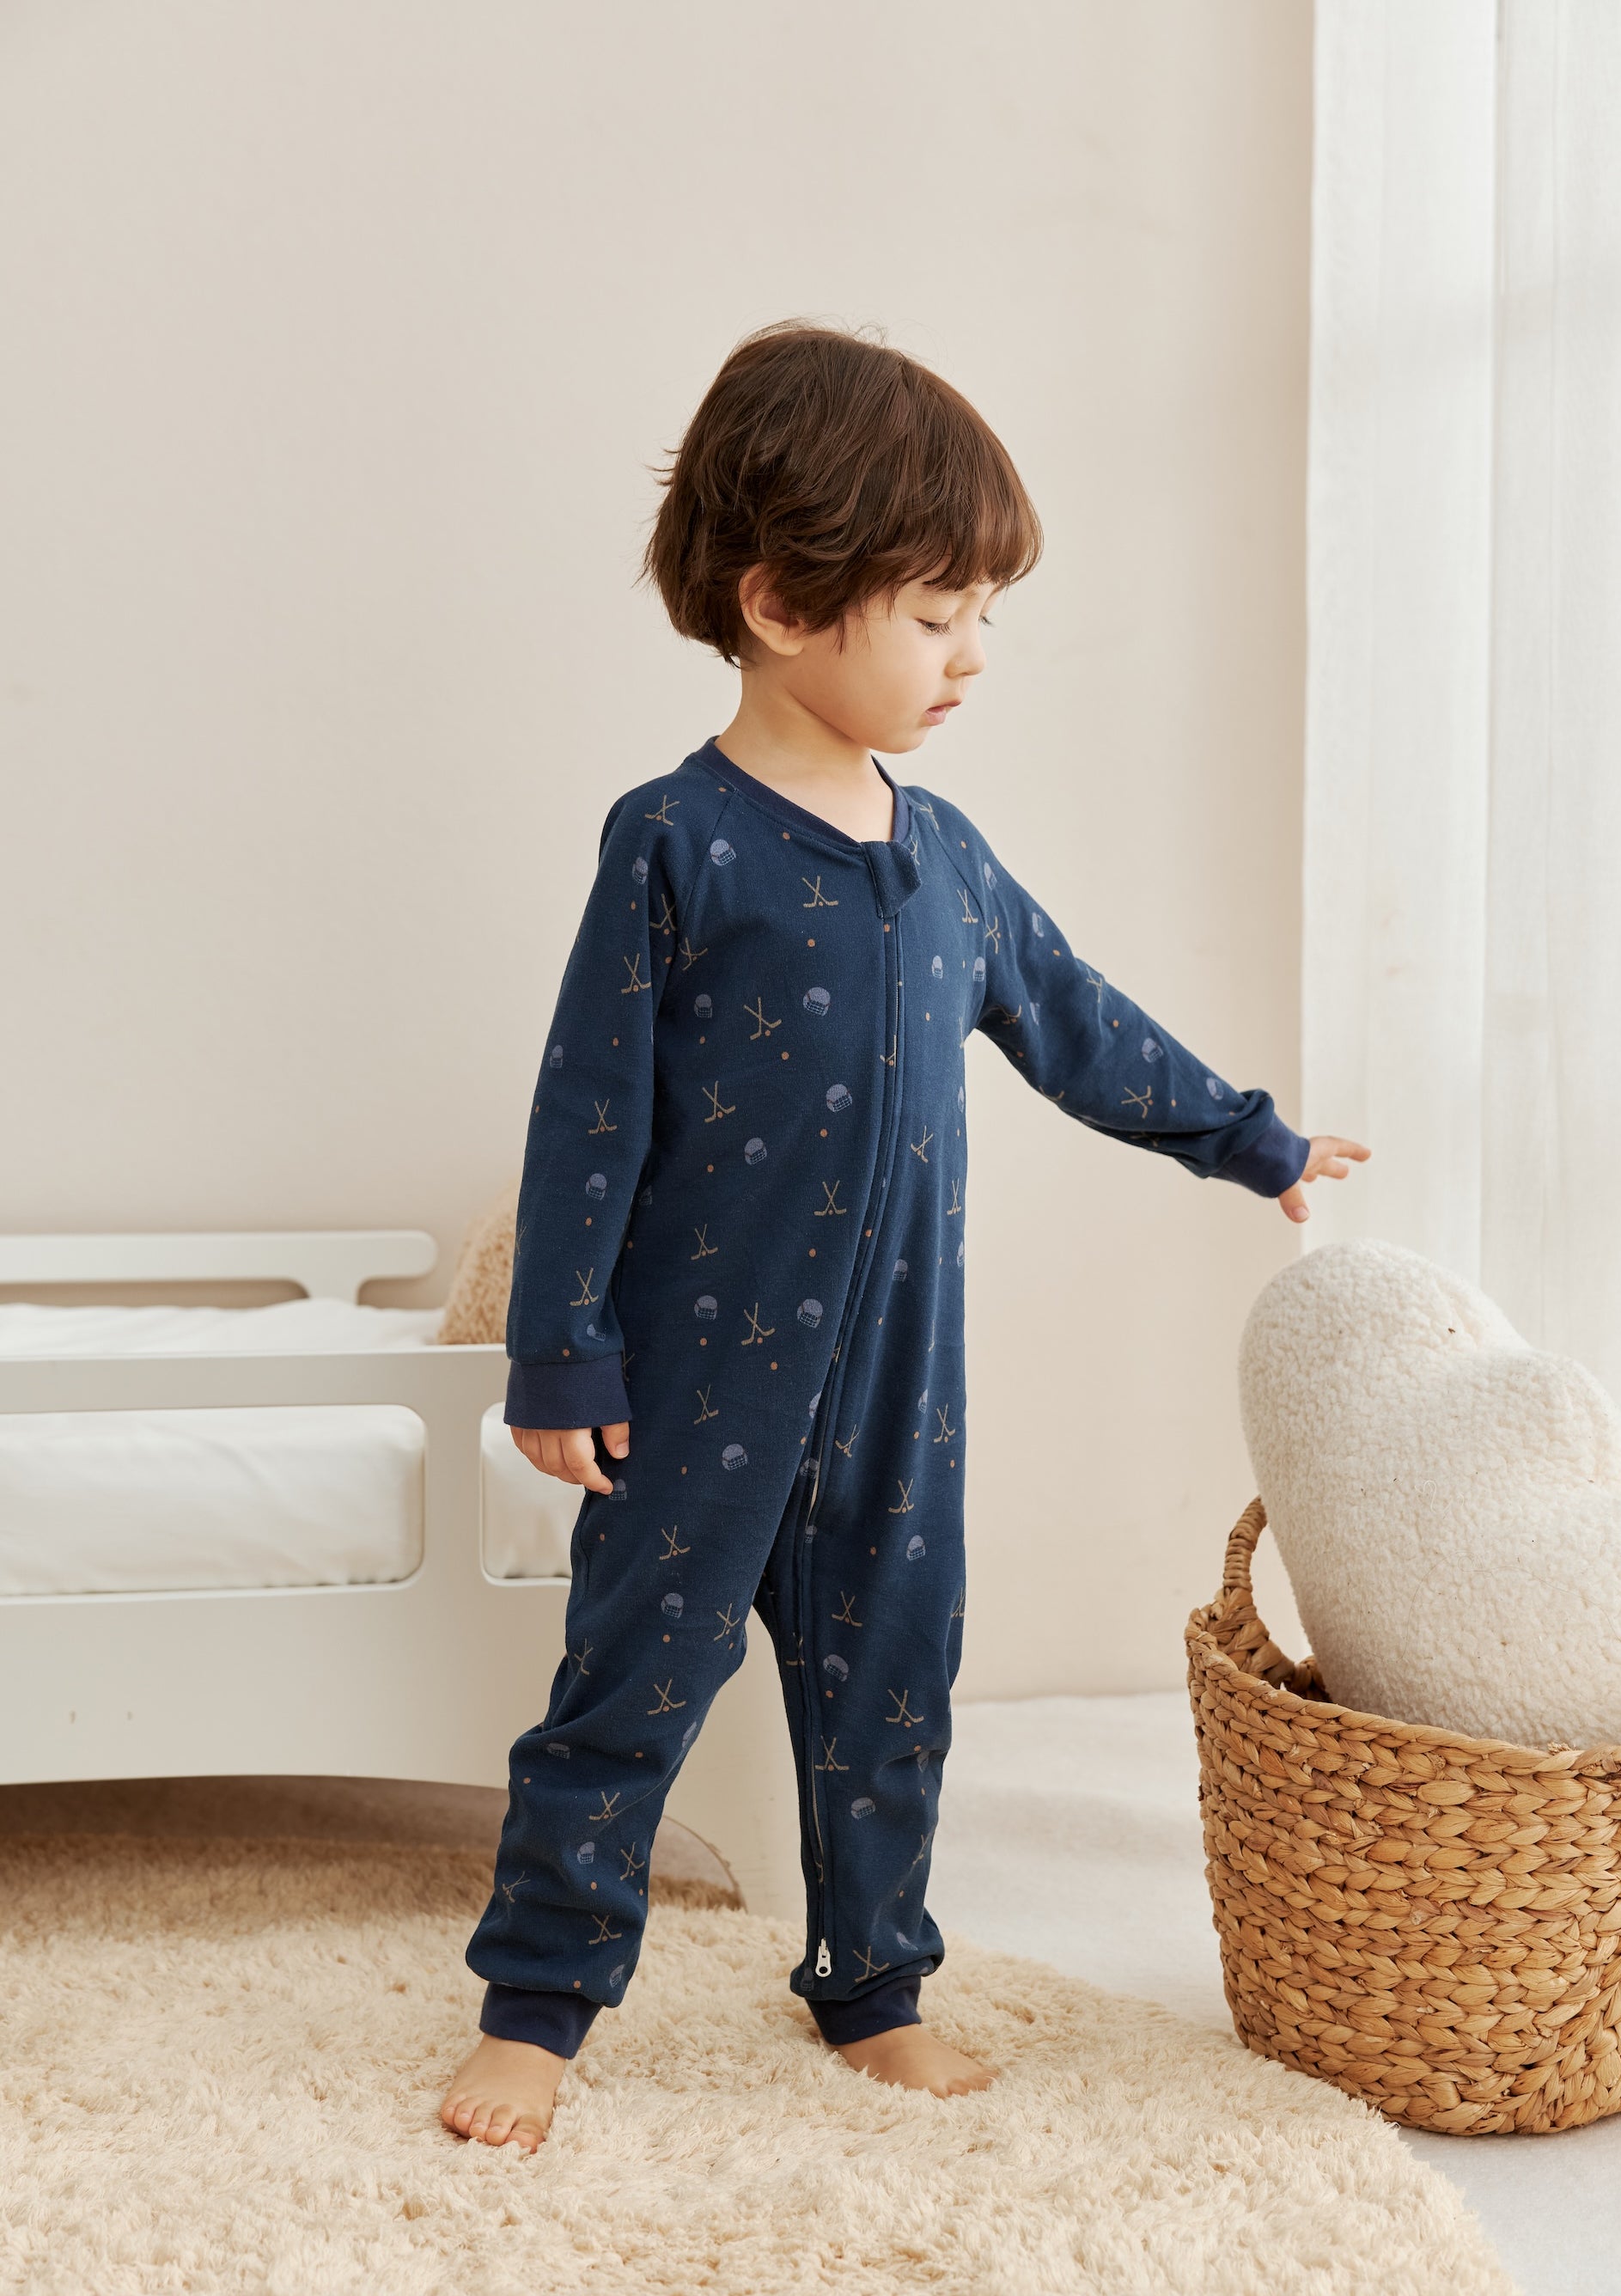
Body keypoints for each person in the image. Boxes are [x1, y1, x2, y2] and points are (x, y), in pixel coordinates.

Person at [441, 322, 1368, 2152]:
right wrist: (560, 1351)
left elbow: (1074, 1018)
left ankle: (872, 1983)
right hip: (698, 1384)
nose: (973, 657)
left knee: (893, 1680)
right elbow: (588, 1114)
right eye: (938, 614)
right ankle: (538, 2006)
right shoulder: (675, 845)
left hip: (899, 1387)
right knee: (628, 1689)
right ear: (783, 603)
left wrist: (1244, 1136)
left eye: (983, 616)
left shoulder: (945, 856)